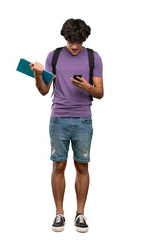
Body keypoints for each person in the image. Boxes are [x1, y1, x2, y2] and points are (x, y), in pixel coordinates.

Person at [29, 18, 104, 233]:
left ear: (84, 39)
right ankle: (59, 213)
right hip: (58, 118)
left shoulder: (93, 57)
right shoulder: (54, 56)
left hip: (83, 119)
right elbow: (44, 90)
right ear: (65, 37)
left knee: (82, 166)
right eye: (70, 40)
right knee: (58, 166)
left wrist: (87, 86)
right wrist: (37, 74)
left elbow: (100, 93)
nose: (73, 46)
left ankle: (80, 214)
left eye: (78, 41)